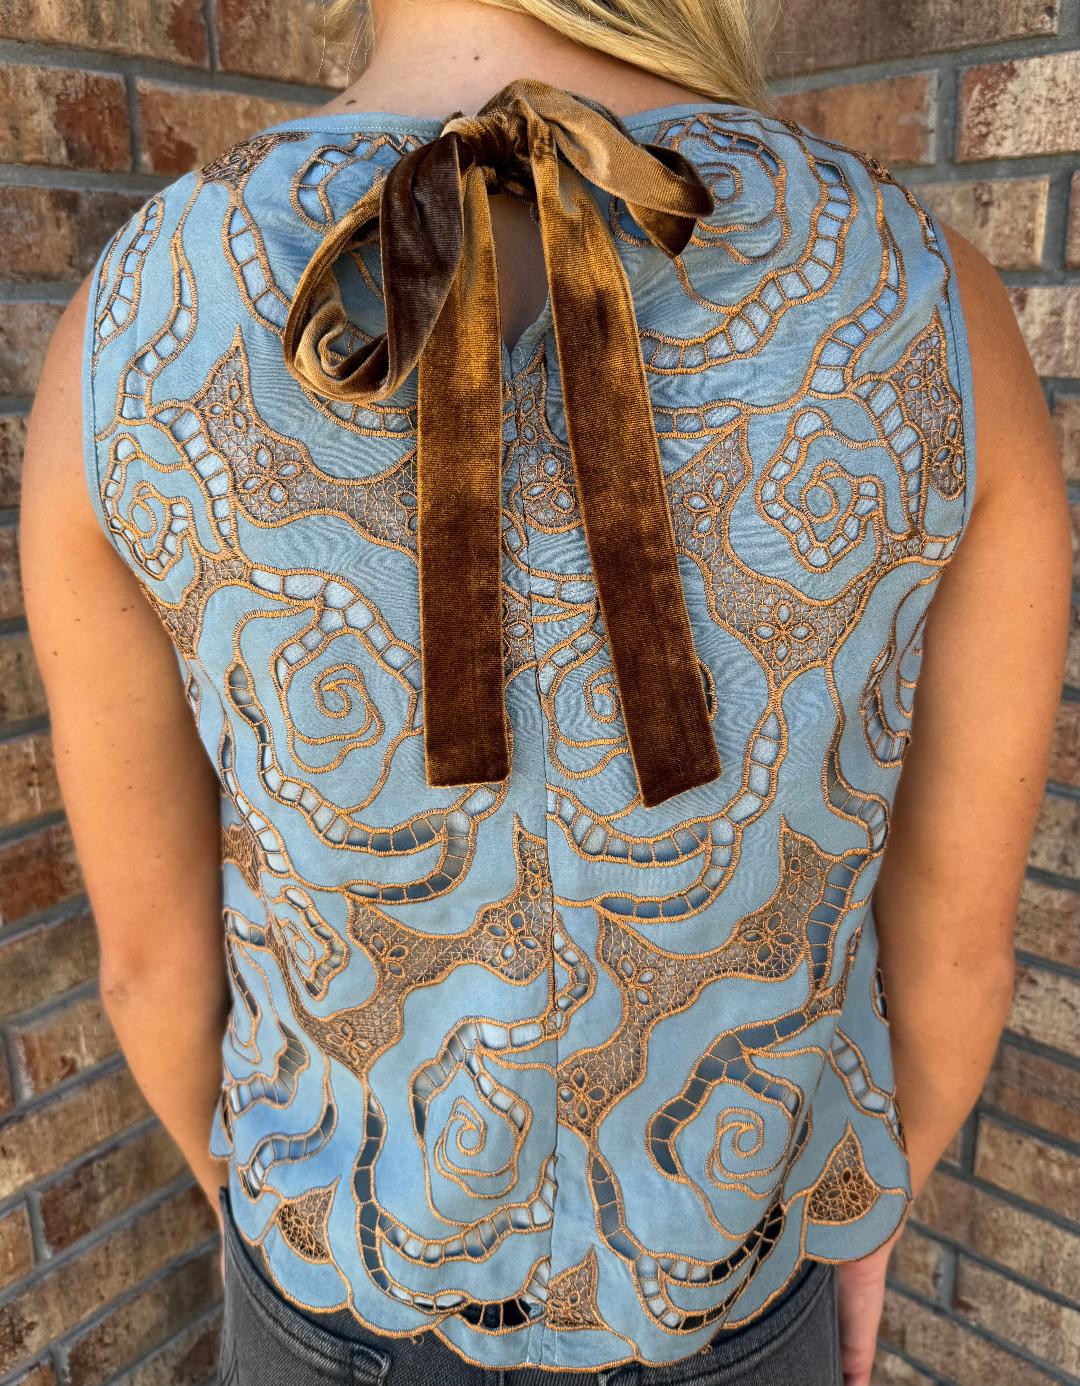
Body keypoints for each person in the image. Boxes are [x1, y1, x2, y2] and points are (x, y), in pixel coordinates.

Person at [18, 0, 1071, 1383]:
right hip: (739, 1307)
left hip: (328, 1307)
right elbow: (957, 958)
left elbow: (149, 968)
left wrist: (271, 1235)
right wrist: (851, 1230)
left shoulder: (131, 328)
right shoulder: (925, 299)